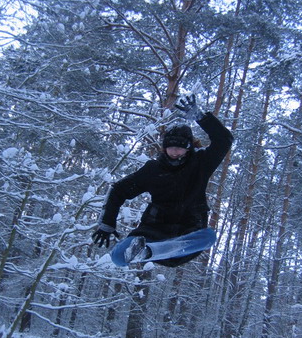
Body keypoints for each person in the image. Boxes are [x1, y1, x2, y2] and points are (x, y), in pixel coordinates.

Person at [92, 94, 233, 267]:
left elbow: (224, 140)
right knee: (119, 257)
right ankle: (147, 250)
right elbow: (119, 190)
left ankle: (151, 252)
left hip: (188, 232)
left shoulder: (201, 163)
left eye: (180, 148)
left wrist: (200, 117)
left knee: (209, 237)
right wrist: (107, 224)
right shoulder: (153, 170)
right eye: (171, 148)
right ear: (164, 148)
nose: (175, 152)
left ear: (189, 149)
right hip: (154, 229)